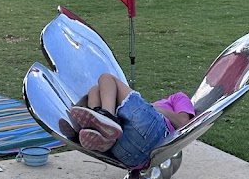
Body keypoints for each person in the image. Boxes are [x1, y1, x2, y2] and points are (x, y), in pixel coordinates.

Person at [67, 72, 195, 168]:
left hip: (157, 135)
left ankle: (106, 118)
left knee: (106, 78)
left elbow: (184, 124)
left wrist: (154, 108)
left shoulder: (178, 97)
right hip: (131, 157)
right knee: (95, 90)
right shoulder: (146, 111)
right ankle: (99, 130)